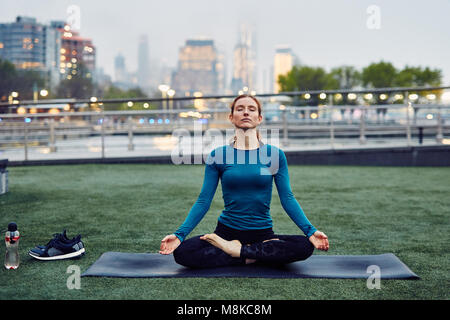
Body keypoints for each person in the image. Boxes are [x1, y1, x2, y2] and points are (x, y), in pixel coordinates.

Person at [159, 94, 329, 268]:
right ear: (231, 117)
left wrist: (311, 231)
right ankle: (253, 254)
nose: (246, 112)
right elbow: (203, 200)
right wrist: (179, 235)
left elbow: (288, 198)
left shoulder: (275, 155)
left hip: (262, 233)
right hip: (226, 232)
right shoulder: (218, 155)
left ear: (259, 118)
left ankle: (237, 252)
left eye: (251, 109)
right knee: (182, 252)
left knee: (305, 245)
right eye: (240, 109)